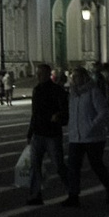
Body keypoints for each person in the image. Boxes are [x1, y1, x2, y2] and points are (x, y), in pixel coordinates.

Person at [64, 64, 109, 206]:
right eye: (73, 77)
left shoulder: (93, 91)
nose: (75, 80)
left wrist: (90, 126)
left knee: (96, 165)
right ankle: (73, 196)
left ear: (84, 77)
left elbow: (103, 112)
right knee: (73, 167)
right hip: (76, 137)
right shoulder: (73, 94)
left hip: (93, 137)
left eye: (77, 77)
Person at [24, 62, 71, 205]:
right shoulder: (37, 90)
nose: (38, 76)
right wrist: (30, 131)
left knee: (59, 165)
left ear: (48, 74)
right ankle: (36, 194)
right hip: (38, 133)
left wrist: (59, 117)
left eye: (40, 73)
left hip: (52, 134)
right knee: (35, 165)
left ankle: (72, 191)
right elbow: (35, 113)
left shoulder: (57, 90)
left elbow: (65, 111)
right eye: (37, 73)